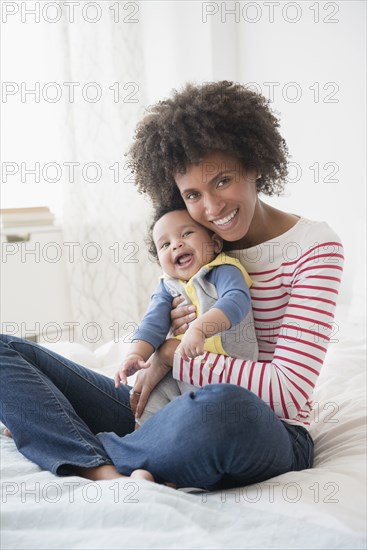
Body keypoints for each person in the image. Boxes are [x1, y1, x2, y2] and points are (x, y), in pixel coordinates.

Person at [0, 81, 344, 490]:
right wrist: (157, 348)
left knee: (219, 409)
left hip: (261, 423)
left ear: (254, 164)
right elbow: (162, 318)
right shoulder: (196, 239)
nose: (212, 208)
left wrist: (170, 353)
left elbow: (286, 393)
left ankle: (64, 439)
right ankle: (101, 466)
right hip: (166, 408)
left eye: (222, 181)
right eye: (193, 194)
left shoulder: (314, 247)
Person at [116, 206, 258, 425]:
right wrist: (135, 355)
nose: (176, 244)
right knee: (148, 403)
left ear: (215, 243)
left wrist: (200, 329)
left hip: (225, 373)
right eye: (165, 244)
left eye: (186, 234)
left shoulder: (222, 270)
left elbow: (236, 300)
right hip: (179, 370)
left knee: (204, 415)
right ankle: (140, 441)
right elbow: (152, 323)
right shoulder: (167, 286)